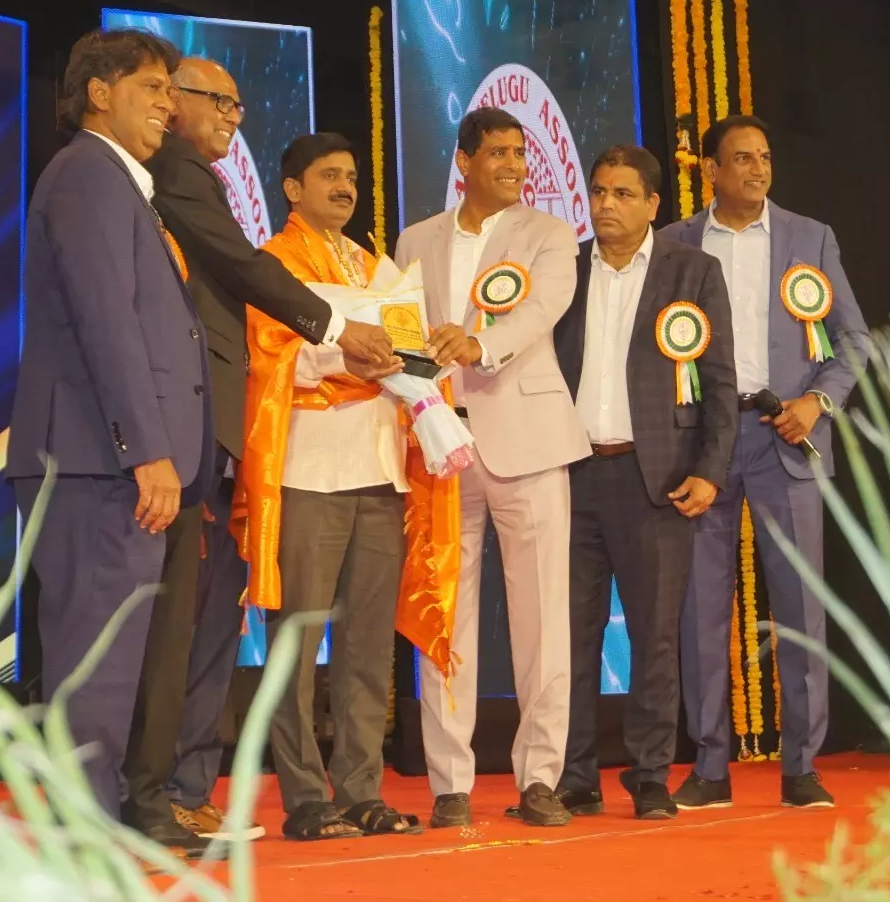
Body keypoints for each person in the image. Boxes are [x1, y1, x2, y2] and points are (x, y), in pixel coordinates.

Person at [122, 58, 393, 847]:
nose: (232, 115)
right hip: (274, 453)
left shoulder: (376, 264)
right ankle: (276, 795)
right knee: (251, 634)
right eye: (218, 100)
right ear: (292, 189)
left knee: (252, 629)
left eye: (239, 104)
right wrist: (339, 336)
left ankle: (329, 789)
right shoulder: (217, 209)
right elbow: (261, 325)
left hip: (360, 462)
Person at [4, 29, 211, 837]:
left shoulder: (120, 183)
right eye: (152, 87)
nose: (169, 104)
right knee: (94, 664)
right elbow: (107, 323)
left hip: (106, 460)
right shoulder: (89, 174)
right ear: (99, 93)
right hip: (98, 462)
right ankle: (80, 840)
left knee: (110, 662)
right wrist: (146, 449)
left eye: (171, 90)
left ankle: (88, 830)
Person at [235, 132, 457, 840]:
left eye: (352, 176)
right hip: (308, 469)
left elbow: (408, 347)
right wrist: (343, 356)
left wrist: (431, 354)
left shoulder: (374, 265)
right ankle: (306, 798)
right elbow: (267, 362)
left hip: (380, 470)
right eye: (329, 175)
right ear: (292, 189)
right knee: (296, 644)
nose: (344, 187)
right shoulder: (272, 264)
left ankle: (362, 789)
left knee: (367, 644)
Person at [661, 114, 869, 811]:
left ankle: (802, 766)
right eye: (743, 158)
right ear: (711, 171)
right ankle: (709, 767)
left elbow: (854, 340)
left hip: (788, 436)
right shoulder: (675, 243)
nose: (757, 169)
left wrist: (819, 402)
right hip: (703, 446)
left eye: (765, 157)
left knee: (801, 607)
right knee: (700, 610)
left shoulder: (811, 237)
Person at [394, 107, 591, 829]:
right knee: (446, 616)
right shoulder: (416, 239)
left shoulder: (549, 233)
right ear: (464, 160)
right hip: (442, 445)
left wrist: (479, 344)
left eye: (520, 153)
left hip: (528, 440)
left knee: (543, 619)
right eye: (499, 152)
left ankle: (540, 778)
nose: (514, 165)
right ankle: (450, 782)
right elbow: (402, 328)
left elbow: (543, 309)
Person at [552, 145, 738, 819]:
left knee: (655, 635)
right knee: (571, 637)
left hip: (655, 479)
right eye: (599, 191)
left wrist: (709, 473)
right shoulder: (565, 268)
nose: (606, 204)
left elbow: (719, 382)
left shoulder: (692, 271)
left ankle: (651, 774)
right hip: (569, 475)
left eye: (623, 193)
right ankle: (574, 775)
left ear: (654, 204)